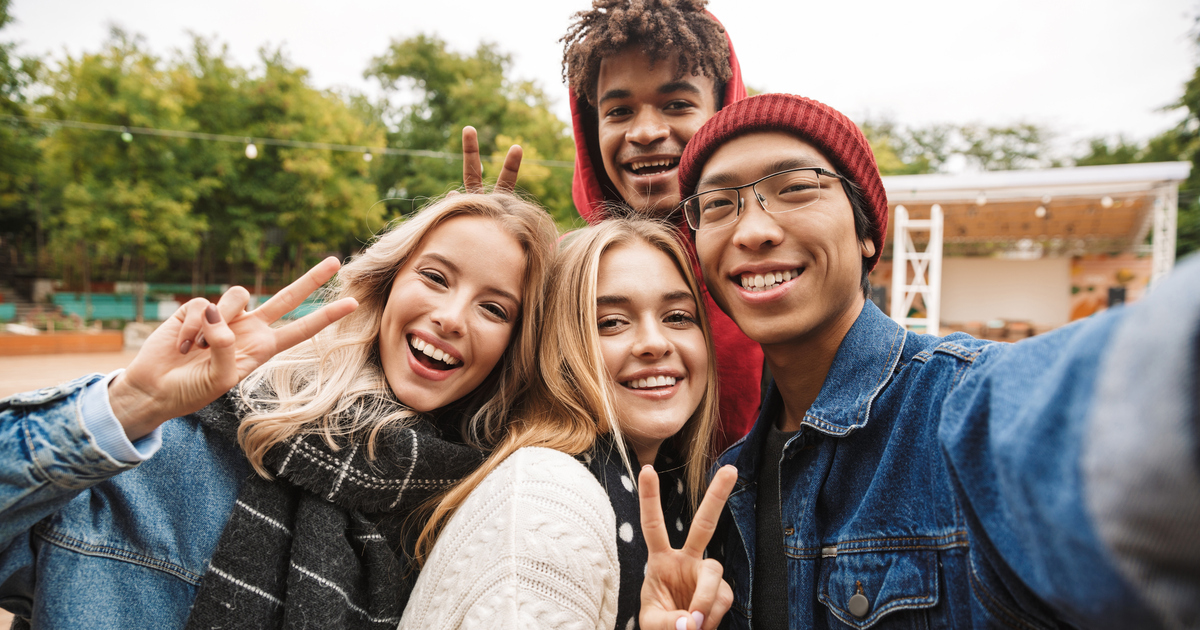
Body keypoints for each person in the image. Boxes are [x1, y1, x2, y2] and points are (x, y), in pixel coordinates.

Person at [641, 93, 1200, 629]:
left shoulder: (961, 408)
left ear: (866, 232)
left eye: (796, 189)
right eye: (718, 204)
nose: (754, 230)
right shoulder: (729, 482)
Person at [0, 192, 557, 629]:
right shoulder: (182, 441)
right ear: (384, 287)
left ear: (516, 345)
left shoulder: (487, 511)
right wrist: (131, 405)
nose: (453, 317)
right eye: (435, 277)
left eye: (494, 307)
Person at [396, 217, 738, 630]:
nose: (655, 342)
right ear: (557, 349)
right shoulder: (548, 498)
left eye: (678, 317)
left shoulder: (674, 491)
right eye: (611, 322)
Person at [560, 0, 763, 451]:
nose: (646, 131)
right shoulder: (559, 276)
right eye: (618, 111)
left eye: (676, 103)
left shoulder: (770, 265)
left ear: (723, 113)